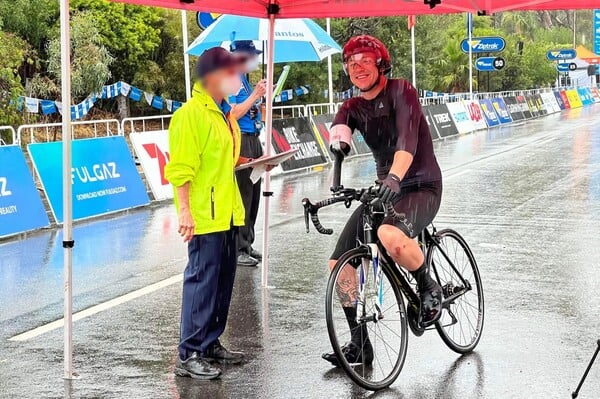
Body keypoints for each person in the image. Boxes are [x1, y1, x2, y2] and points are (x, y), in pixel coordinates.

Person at [322, 35, 444, 366]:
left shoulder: (401, 91)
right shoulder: (350, 107)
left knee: (390, 236)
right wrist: (336, 175)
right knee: (339, 264)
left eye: (365, 60)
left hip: (420, 184)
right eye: (351, 62)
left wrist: (394, 177)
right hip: (385, 188)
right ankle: (359, 344)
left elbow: (407, 141)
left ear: (381, 64)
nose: (357, 67)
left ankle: (429, 287)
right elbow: (339, 138)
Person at [165, 47, 251, 380]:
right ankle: (188, 353)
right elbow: (181, 169)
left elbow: (221, 162)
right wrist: (185, 211)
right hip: (204, 213)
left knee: (223, 280)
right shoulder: (191, 114)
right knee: (202, 280)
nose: (237, 80)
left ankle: (210, 341)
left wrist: (249, 164)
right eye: (231, 73)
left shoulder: (222, 112)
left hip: (228, 211)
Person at [229, 40, 268, 267]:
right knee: (243, 195)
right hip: (240, 140)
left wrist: (261, 100)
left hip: (254, 138)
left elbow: (252, 110)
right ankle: (239, 248)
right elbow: (232, 113)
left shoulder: (245, 80)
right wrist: (254, 96)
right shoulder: (231, 78)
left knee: (253, 194)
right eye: (251, 55)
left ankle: (248, 243)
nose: (254, 60)